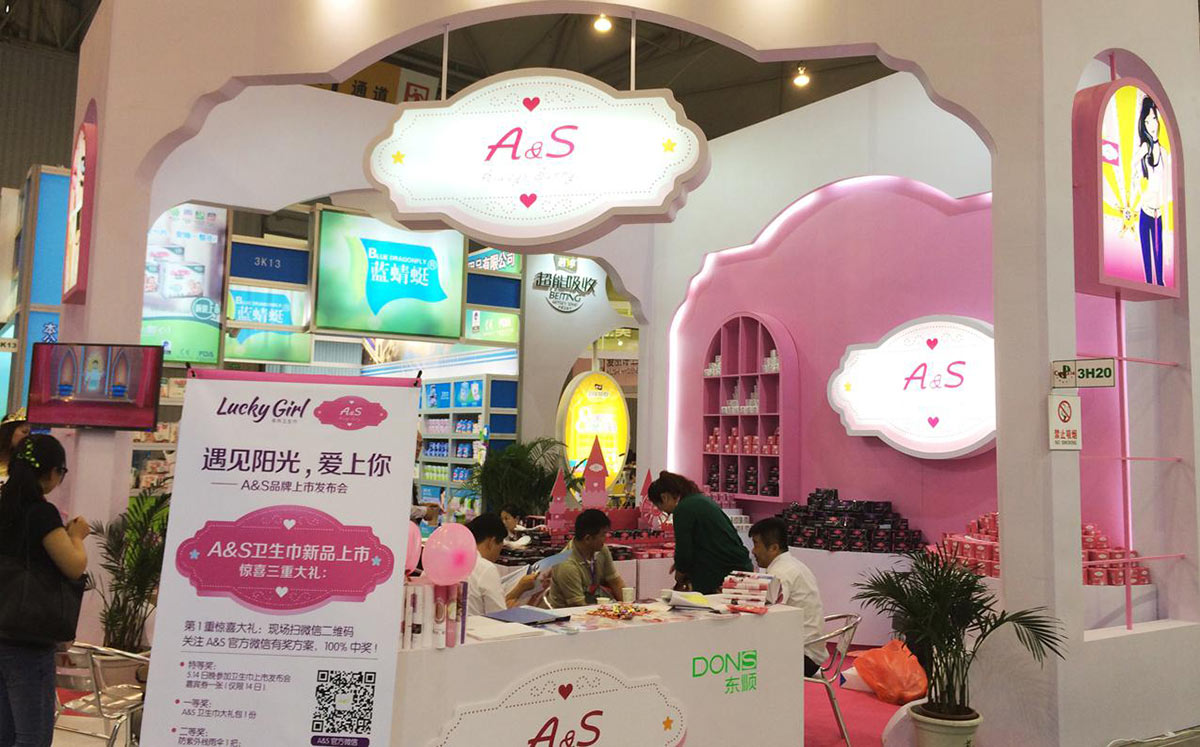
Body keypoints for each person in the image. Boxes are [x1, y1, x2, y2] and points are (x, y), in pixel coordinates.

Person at [0, 434, 89, 747]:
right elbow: (73, 565)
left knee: (5, 732)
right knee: (32, 736)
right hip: (28, 636)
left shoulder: (3, 506)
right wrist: (76, 536)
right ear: (52, 472)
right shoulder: (41, 513)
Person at [648, 470, 752, 594]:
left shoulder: (683, 509)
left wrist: (680, 571)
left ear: (664, 497)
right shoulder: (700, 500)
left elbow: (684, 550)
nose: (664, 512)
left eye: (659, 506)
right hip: (738, 568)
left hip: (719, 574)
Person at [749, 517, 826, 677]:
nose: (753, 551)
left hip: (801, 655)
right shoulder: (793, 565)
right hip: (808, 649)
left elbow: (770, 615)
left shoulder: (781, 573)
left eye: (756, 544)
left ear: (774, 548)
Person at [547, 509, 628, 608]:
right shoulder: (566, 565)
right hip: (568, 613)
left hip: (593, 607)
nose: (606, 538)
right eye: (603, 535)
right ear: (588, 539)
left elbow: (615, 582)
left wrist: (628, 607)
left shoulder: (602, 550)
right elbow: (578, 606)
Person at [464, 513, 537, 616]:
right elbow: (498, 615)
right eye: (500, 548)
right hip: (478, 625)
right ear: (491, 542)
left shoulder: (458, 560)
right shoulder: (485, 568)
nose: (498, 555)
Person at [1137, 95, 1167, 286]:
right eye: (1147, 121)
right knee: (1147, 253)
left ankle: (1160, 282)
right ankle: (1149, 282)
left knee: (1159, 251)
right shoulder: (1144, 148)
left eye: (1153, 119)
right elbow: (1132, 167)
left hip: (1158, 212)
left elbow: (1166, 182)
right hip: (1145, 210)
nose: (1151, 125)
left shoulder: (1163, 151)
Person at [0, 414, 31, 483]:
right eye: (24, 432)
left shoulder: (26, 461)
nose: (27, 437)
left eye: (29, 433)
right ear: (9, 432)